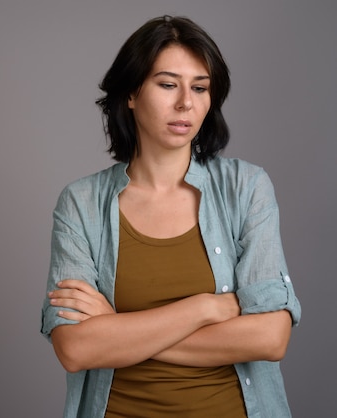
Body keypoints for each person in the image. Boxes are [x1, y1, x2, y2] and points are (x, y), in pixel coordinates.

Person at [40, 15, 301, 418]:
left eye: (200, 87)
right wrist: (206, 308)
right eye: (167, 84)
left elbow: (270, 338)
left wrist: (119, 328)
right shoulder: (81, 203)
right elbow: (76, 349)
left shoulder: (246, 188)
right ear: (130, 93)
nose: (186, 103)